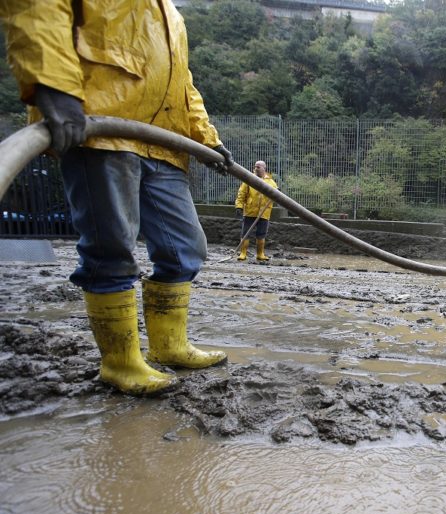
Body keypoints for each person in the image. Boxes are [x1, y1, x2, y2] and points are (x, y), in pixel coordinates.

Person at [1, 0, 235, 395]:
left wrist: (206, 138)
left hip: (163, 142)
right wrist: (54, 87)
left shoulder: (170, 13)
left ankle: (169, 345)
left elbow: (182, 81)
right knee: (112, 247)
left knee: (185, 248)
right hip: (100, 127)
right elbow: (37, 7)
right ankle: (121, 362)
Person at [234, 161, 278, 262]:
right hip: (250, 211)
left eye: (258, 167)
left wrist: (277, 193)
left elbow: (276, 196)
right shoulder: (249, 179)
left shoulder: (271, 182)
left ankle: (260, 254)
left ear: (264, 168)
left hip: (264, 213)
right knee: (245, 233)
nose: (256, 168)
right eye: (255, 167)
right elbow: (241, 194)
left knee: (261, 233)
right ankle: (243, 253)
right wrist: (239, 207)